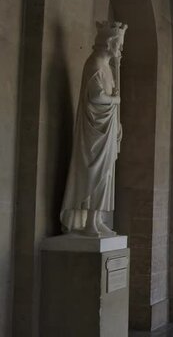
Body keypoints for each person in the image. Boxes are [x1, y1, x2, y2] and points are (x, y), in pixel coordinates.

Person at [60, 21, 127, 237]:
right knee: (94, 173)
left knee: (106, 174)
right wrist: (116, 100)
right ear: (108, 43)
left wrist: (116, 121)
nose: (120, 49)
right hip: (94, 134)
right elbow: (96, 97)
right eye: (118, 44)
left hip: (105, 130)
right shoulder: (95, 64)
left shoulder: (107, 66)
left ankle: (97, 219)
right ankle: (89, 221)